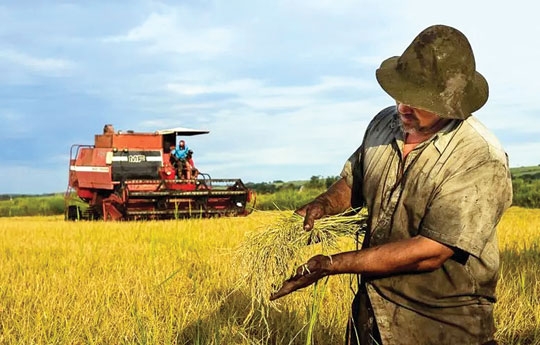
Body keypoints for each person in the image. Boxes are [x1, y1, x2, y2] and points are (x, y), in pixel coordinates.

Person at [270, 25, 513, 345]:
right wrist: (323, 205)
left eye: (417, 99)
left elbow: (430, 252)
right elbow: (354, 179)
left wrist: (331, 265)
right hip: (371, 317)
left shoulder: (479, 157)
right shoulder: (384, 124)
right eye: (401, 93)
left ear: (449, 103)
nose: (402, 106)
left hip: (440, 326)